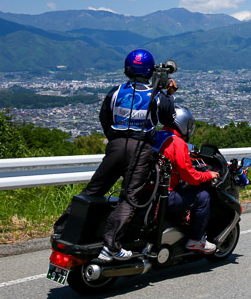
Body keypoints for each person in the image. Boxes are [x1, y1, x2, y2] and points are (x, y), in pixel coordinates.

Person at [53, 49, 177, 262]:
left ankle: (62, 229)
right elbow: (168, 118)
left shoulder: (116, 91)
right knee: (130, 197)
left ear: (127, 68)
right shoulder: (156, 96)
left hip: (116, 145)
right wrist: (168, 93)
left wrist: (114, 138)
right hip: (140, 149)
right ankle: (111, 245)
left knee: (94, 189)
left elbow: (104, 117)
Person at [153, 106, 219, 253]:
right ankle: (196, 240)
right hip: (164, 197)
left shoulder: (156, 136)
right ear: (183, 124)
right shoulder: (177, 143)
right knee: (203, 197)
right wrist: (209, 175)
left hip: (148, 193)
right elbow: (190, 177)